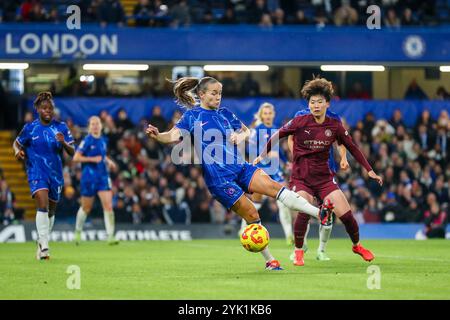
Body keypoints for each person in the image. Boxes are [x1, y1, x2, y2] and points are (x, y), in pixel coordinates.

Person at [145, 76, 334, 271]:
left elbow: (246, 132)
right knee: (252, 214)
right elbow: (171, 136)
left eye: (220, 93)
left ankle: (320, 213)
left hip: (241, 167)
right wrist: (158, 135)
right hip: (219, 180)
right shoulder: (192, 117)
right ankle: (270, 260)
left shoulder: (226, 113)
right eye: (213, 93)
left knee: (274, 187)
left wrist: (240, 135)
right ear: (201, 94)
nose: (218, 97)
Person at [255, 76, 383, 266]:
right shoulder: (300, 120)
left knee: (346, 215)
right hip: (302, 178)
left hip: (324, 178)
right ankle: (299, 251)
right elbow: (279, 134)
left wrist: (369, 170)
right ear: (308, 104)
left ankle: (357, 245)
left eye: (319, 102)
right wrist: (263, 154)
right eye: (312, 102)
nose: (315, 105)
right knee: (304, 211)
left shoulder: (334, 125)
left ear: (327, 104)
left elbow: (352, 146)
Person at [13, 92, 75, 260]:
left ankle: (41, 240)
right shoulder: (30, 128)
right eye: (44, 108)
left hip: (55, 174)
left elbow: (72, 152)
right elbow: (16, 143)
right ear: (38, 110)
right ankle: (45, 247)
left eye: (50, 108)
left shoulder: (61, 127)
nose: (48, 111)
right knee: (42, 203)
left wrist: (63, 142)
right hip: (36, 171)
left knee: (51, 211)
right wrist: (18, 152)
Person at [287, 107, 349, 261]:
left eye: (321, 99)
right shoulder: (300, 115)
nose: (317, 103)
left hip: (325, 171)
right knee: (303, 209)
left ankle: (321, 250)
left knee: (328, 210)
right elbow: (291, 138)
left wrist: (343, 157)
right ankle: (302, 246)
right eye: (314, 99)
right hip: (304, 171)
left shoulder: (334, 117)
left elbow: (340, 142)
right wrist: (297, 156)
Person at [242, 102, 293, 245]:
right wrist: (264, 155)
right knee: (256, 202)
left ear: (274, 114)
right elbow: (249, 151)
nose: (268, 115)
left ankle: (289, 236)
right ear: (261, 115)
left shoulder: (276, 130)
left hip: (276, 170)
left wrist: (285, 161)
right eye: (265, 113)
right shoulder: (257, 130)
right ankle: (243, 229)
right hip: (262, 170)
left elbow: (279, 151)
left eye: (270, 113)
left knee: (283, 202)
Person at [73, 116, 119, 245]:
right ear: (89, 127)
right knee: (86, 207)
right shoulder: (87, 140)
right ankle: (78, 231)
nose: (95, 126)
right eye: (92, 124)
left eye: (97, 123)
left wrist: (108, 161)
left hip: (103, 177)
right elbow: (76, 158)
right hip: (89, 178)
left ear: (101, 126)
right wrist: (92, 159)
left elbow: (102, 156)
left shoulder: (103, 140)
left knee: (108, 206)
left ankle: (110, 236)